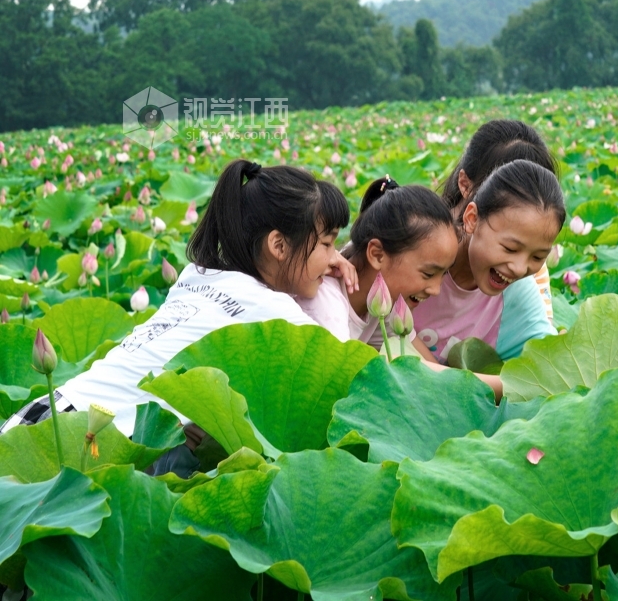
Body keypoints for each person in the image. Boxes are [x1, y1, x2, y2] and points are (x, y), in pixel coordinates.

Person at [1, 160, 352, 461]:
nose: (334, 257)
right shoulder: (272, 309)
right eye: (326, 243)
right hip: (85, 443)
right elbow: (339, 375)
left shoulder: (195, 275)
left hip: (42, 416)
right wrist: (341, 294)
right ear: (278, 244)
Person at [412, 159, 565, 372]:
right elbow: (386, 332)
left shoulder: (517, 288)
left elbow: (549, 370)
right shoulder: (418, 251)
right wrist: (501, 385)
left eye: (538, 257)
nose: (520, 269)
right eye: (511, 248)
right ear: (472, 218)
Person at [298, 177, 459, 350]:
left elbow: (424, 367)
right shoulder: (326, 304)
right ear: (376, 255)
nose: (436, 290)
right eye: (428, 274)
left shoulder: (381, 302)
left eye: (443, 274)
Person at [441, 119, 559, 323]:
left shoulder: (527, 266)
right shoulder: (421, 246)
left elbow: (540, 339)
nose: (519, 267)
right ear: (465, 184)